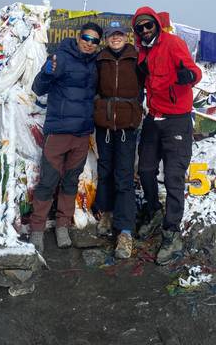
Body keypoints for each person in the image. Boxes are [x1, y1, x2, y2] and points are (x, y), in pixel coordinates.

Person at [132, 6, 202, 265]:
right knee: (147, 170)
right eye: (140, 28)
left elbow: (195, 71)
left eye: (148, 25)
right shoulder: (142, 53)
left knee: (173, 177)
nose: (145, 30)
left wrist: (189, 76)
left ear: (156, 26)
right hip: (153, 118)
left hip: (177, 121)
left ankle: (172, 234)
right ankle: (153, 210)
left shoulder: (173, 43)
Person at [29, 22, 103, 254]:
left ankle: (62, 225)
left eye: (94, 40)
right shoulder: (60, 57)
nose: (89, 43)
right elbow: (38, 88)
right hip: (58, 132)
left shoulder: (95, 64)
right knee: (48, 182)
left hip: (81, 135)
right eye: (86, 38)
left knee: (71, 182)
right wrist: (46, 72)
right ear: (78, 37)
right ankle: (37, 229)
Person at [94, 21, 143, 259]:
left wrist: (136, 112)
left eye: (119, 35)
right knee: (105, 170)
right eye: (111, 35)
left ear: (126, 36)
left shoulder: (136, 58)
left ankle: (125, 231)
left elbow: (147, 85)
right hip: (104, 124)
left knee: (123, 175)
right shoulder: (100, 58)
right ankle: (107, 213)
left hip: (126, 125)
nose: (115, 38)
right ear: (106, 38)